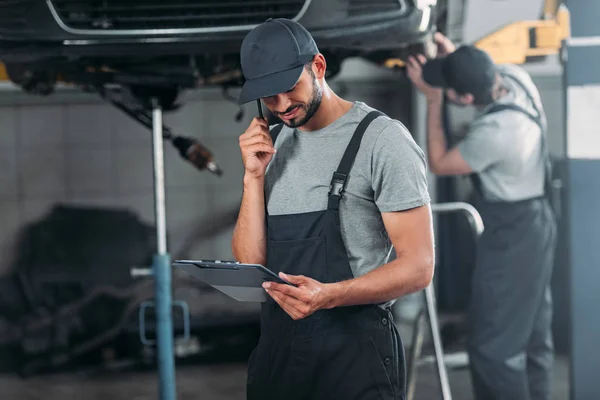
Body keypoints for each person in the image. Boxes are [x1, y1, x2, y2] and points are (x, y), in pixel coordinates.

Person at [231, 18, 435, 400]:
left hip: (354, 353)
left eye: (289, 89)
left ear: (319, 68)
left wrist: (328, 295)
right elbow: (250, 263)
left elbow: (419, 267)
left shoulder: (382, 140)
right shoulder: (268, 146)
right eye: (268, 97)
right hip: (280, 352)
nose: (281, 107)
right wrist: (253, 177)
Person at [406, 33, 558, 400]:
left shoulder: (494, 134)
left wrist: (432, 99)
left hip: (513, 233)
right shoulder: (515, 76)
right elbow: (477, 67)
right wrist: (456, 57)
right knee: (532, 337)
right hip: (538, 220)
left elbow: (441, 163)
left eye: (452, 91)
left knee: (494, 350)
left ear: (465, 99)